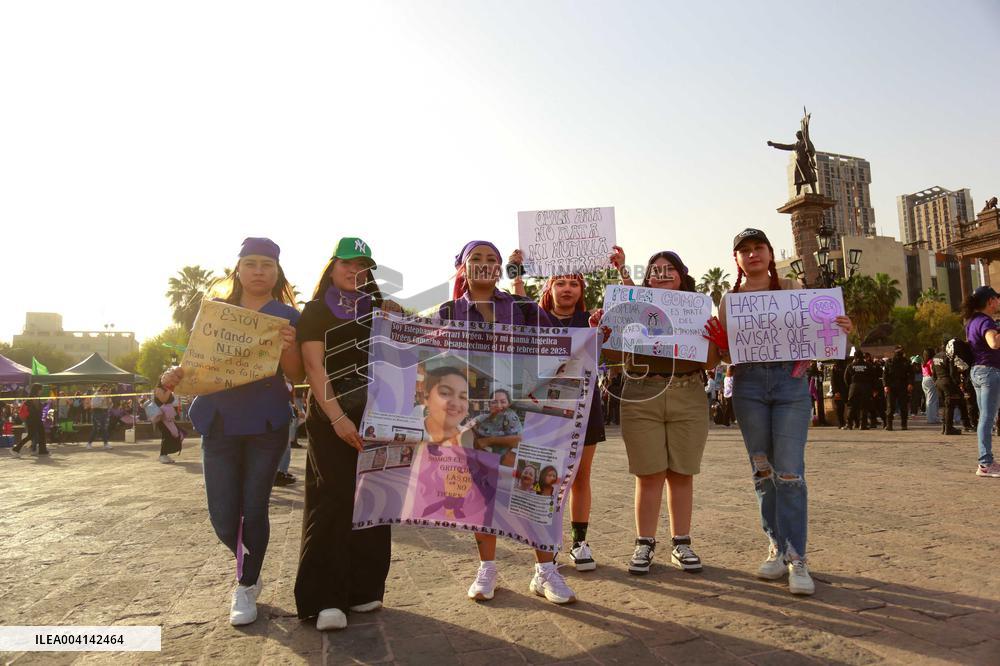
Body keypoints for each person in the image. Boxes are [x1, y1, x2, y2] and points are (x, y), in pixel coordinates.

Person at [160, 237, 303, 627]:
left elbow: (296, 374)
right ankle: (248, 561)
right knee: (223, 515)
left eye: (267, 265)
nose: (259, 271)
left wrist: (289, 347)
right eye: (252, 263)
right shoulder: (216, 313)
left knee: (254, 507)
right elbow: (195, 364)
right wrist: (173, 375)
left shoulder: (288, 316)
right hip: (219, 422)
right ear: (237, 269)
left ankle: (246, 583)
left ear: (277, 271)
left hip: (266, 423)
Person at [709, 228, 852, 596]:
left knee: (789, 473)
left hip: (789, 385)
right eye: (745, 250)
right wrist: (718, 344)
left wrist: (842, 330)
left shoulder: (792, 289)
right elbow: (726, 355)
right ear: (736, 260)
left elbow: (819, 336)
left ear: (770, 254)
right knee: (762, 470)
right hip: (748, 387)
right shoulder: (729, 299)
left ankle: (797, 557)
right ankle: (775, 546)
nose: (753, 255)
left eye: (759, 248)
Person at [439, 240, 576, 605]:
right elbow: (436, 363)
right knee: (482, 493)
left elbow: (559, 346)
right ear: (463, 268)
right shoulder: (449, 311)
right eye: (476, 259)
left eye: (492, 260)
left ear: (500, 268)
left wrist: (589, 333)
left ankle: (545, 570)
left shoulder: (523, 307)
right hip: (474, 418)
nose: (485, 264)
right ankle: (487, 568)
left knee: (534, 484)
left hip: (525, 412)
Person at [596, 247, 720, 577]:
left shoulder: (699, 312)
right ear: (647, 279)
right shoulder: (631, 310)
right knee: (648, 474)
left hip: (688, 392)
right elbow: (610, 356)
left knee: (682, 473)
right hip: (641, 393)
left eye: (669, 269)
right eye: (655, 270)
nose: (662, 274)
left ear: (682, 277)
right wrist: (604, 330)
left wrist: (714, 338)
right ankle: (645, 542)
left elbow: (709, 363)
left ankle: (681, 542)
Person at [294, 237, 395, 631]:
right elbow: (313, 369)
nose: (355, 272)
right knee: (333, 500)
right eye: (348, 264)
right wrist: (338, 419)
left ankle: (364, 587)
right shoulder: (316, 311)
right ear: (332, 265)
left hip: (376, 418)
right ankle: (324, 599)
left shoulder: (380, 312)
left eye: (362, 266)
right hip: (332, 417)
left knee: (374, 498)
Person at [961, 286, 1000, 477]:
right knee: (987, 418)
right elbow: (993, 343)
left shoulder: (971, 321)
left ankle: (987, 461)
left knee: (985, 417)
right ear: (990, 301)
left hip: (977, 371)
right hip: (989, 371)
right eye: (997, 299)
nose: (998, 303)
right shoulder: (985, 321)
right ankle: (985, 463)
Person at [470, 388, 523, 466]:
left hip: (504, 464)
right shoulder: (482, 419)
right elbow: (475, 441)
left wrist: (489, 441)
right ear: (489, 404)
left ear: (508, 404)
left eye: (503, 402)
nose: (498, 406)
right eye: (494, 402)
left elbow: (519, 440)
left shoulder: (510, 416)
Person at [10, 384, 48, 457]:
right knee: (30, 436)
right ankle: (15, 449)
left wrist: (43, 404)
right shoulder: (32, 398)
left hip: (37, 419)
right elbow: (34, 409)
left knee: (42, 434)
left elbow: (37, 408)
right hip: (32, 420)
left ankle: (43, 450)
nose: (41, 391)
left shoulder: (35, 397)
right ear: (37, 390)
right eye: (41, 389)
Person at [153, 381, 185, 462]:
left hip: (168, 416)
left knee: (174, 434)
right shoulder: (159, 389)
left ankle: (164, 454)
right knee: (167, 435)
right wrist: (169, 390)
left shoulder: (166, 389)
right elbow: (163, 400)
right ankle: (163, 455)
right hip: (161, 417)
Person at [845, 350, 876, 430]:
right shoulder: (868, 365)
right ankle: (863, 425)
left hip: (854, 387)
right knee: (864, 406)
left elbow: (846, 378)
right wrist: (872, 387)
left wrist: (851, 385)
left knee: (851, 406)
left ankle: (849, 424)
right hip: (865, 387)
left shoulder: (851, 366)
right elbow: (873, 377)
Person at [883, 346, 912, 431]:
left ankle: (904, 425)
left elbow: (911, 374)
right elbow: (885, 375)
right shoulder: (889, 362)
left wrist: (910, 383)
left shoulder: (906, 362)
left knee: (903, 406)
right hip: (891, 387)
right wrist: (885, 385)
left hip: (903, 386)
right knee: (890, 406)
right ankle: (889, 425)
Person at [87, 385, 112, 450]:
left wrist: (108, 400)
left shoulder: (107, 396)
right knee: (98, 428)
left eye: (107, 390)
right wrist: (103, 399)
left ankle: (105, 444)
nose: (105, 391)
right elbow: (94, 405)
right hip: (97, 412)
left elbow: (110, 406)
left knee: (102, 428)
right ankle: (89, 443)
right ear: (100, 390)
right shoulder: (96, 395)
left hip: (105, 412)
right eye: (104, 390)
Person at [921, 348, 940, 424]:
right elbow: (932, 372)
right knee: (932, 400)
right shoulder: (931, 361)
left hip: (924, 379)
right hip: (930, 379)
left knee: (928, 400)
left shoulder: (923, 362)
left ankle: (931, 417)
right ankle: (932, 418)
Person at [830, 359, 848, 428]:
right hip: (842, 390)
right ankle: (841, 422)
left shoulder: (838, 367)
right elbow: (833, 380)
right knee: (840, 408)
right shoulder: (837, 368)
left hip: (841, 390)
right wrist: (836, 391)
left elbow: (833, 381)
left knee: (840, 408)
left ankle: (842, 422)